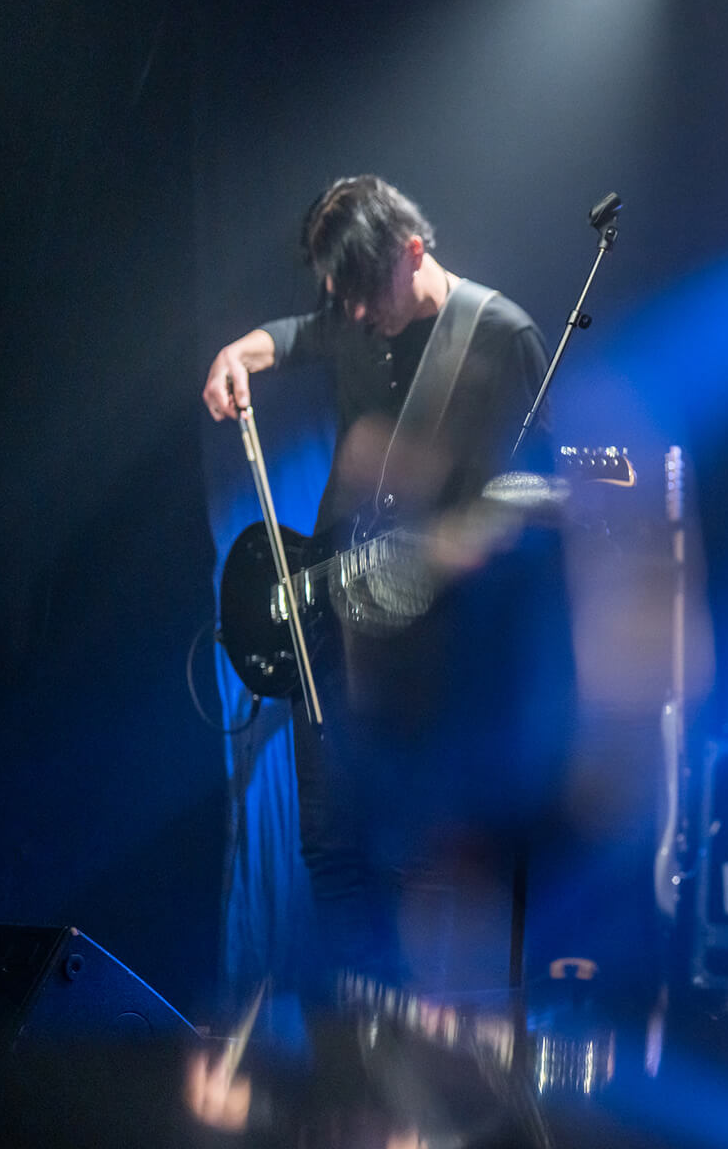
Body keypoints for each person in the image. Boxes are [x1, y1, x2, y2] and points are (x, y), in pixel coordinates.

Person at [201, 175, 560, 988]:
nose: (358, 314)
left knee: (418, 852)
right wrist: (238, 356)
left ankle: (421, 1030)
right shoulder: (357, 313)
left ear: (413, 252)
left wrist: (474, 536)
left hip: (430, 647)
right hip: (332, 619)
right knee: (329, 845)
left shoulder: (501, 336)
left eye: (366, 294)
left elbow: (542, 484)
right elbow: (296, 335)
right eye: (344, 299)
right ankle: (349, 1029)